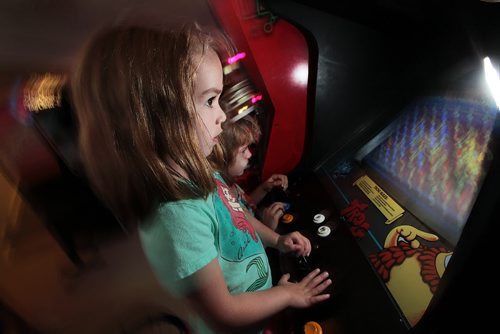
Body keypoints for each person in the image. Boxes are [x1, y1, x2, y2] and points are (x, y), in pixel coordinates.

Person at [70, 23, 331, 333]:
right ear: (159, 118)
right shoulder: (177, 216)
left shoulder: (205, 172)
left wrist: (277, 240)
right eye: (210, 101)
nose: (222, 115)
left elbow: (240, 219)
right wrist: (286, 295)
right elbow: (226, 314)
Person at [211, 115, 289, 231]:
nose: (249, 154)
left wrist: (264, 188)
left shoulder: (229, 183)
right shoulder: (221, 203)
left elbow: (245, 206)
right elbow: (245, 245)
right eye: (243, 150)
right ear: (222, 157)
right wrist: (267, 228)